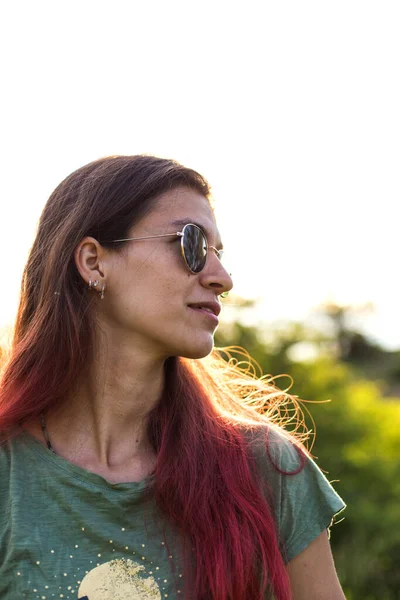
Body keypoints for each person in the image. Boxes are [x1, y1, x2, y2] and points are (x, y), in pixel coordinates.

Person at [0, 155, 346, 600]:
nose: (222, 279)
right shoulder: (10, 478)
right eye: (192, 244)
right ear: (94, 262)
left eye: (219, 255)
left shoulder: (267, 470)